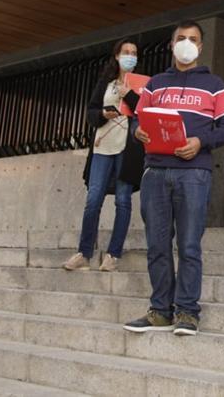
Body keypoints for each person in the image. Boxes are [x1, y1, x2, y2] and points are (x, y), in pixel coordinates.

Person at [123, 20, 224, 337]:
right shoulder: (155, 84)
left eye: (193, 39)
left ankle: (187, 312)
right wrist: (138, 132)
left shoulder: (215, 85)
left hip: (194, 173)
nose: (187, 43)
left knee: (189, 245)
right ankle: (160, 311)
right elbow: (136, 123)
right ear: (172, 45)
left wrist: (201, 143)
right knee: (157, 246)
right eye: (181, 38)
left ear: (201, 47)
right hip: (155, 172)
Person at [63, 38, 141, 272]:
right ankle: (83, 252)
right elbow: (91, 111)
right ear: (117, 56)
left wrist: (129, 95)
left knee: (123, 200)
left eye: (134, 53)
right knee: (93, 199)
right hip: (102, 147)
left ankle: (112, 254)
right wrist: (102, 116)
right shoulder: (105, 83)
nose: (130, 56)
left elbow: (144, 110)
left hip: (127, 150)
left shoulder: (141, 83)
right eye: (126, 52)